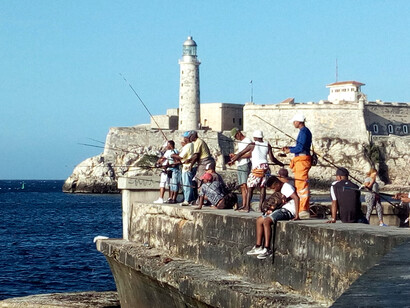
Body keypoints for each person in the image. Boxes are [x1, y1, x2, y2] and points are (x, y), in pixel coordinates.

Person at [229, 130, 284, 212]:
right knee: (262, 187)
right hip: (265, 167)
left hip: (257, 168)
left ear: (255, 137)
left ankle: (247, 207)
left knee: (250, 186)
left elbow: (241, 153)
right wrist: (280, 163)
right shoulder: (267, 145)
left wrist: (232, 160)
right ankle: (260, 208)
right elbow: (272, 159)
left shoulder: (252, 145)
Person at [246, 175, 299, 259]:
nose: (274, 190)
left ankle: (267, 248)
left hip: (289, 211)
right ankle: (258, 246)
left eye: (273, 188)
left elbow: (296, 198)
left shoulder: (286, 187)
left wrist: (297, 215)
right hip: (283, 208)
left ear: (277, 184)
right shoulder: (282, 188)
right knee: (259, 220)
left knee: (267, 221)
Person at [282, 113, 312, 220]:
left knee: (301, 184)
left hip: (302, 160)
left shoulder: (303, 132)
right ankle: (302, 208)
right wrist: (289, 148)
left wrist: (290, 150)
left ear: (299, 122)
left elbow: (300, 147)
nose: (293, 123)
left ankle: (303, 209)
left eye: (294, 121)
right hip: (302, 159)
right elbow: (300, 146)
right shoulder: (304, 131)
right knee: (300, 183)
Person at [229, 128, 252, 210]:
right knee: (242, 185)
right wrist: (235, 157)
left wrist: (237, 156)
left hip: (245, 164)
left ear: (238, 133)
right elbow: (240, 153)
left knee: (245, 185)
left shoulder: (248, 140)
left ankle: (246, 204)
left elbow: (250, 154)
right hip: (239, 164)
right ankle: (243, 204)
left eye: (235, 136)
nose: (235, 138)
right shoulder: (239, 142)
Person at [172, 132, 196, 206]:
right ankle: (190, 199)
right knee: (188, 184)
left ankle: (187, 200)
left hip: (186, 167)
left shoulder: (188, 146)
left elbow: (181, 157)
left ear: (186, 138)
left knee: (187, 184)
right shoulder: (191, 145)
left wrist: (172, 155)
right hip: (188, 166)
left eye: (183, 138)